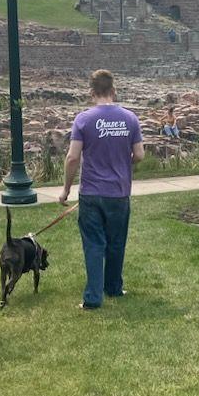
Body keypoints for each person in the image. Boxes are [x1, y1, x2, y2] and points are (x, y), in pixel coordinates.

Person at [58, 70, 144, 310]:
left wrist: (66, 190)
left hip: (92, 192)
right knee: (116, 242)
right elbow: (139, 155)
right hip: (118, 192)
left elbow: (72, 157)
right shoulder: (130, 119)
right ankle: (114, 287)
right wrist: (123, 164)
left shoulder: (83, 120)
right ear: (113, 91)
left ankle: (93, 298)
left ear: (91, 93)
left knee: (94, 244)